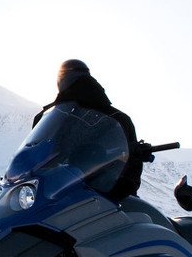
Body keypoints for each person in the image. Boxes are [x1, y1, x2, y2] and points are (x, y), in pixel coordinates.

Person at [33, 59, 144, 200]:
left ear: (61, 81)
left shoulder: (49, 117)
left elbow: (130, 162)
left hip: (93, 197)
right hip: (59, 195)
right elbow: (33, 155)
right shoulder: (49, 116)